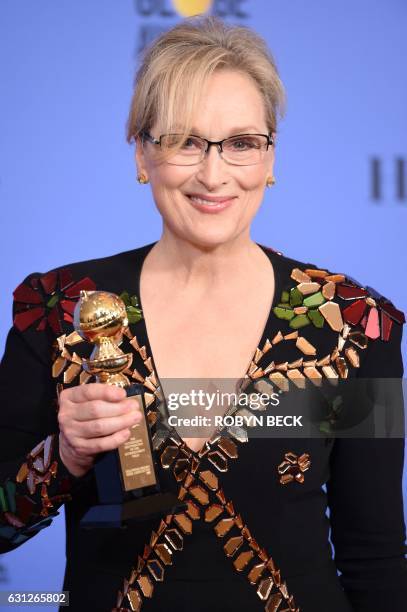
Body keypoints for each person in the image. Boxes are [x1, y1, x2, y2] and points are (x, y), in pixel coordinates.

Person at [0, 15, 406, 612]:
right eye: (184, 141)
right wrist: (61, 456)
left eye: (241, 142)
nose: (214, 174)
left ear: (270, 158)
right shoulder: (61, 309)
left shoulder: (352, 323)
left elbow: (376, 556)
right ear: (142, 153)